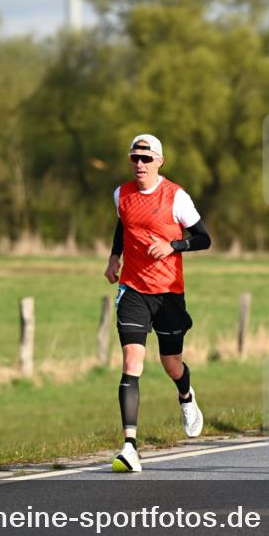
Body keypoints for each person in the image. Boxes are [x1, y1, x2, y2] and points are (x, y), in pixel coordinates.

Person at [104, 134, 212, 472]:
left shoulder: (176, 197)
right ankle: (130, 447)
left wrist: (173, 247)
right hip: (133, 290)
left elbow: (204, 239)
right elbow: (124, 225)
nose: (139, 164)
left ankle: (186, 396)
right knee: (131, 362)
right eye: (135, 158)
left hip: (168, 294)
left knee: (171, 364)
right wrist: (113, 258)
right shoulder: (121, 194)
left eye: (146, 159)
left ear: (159, 162)